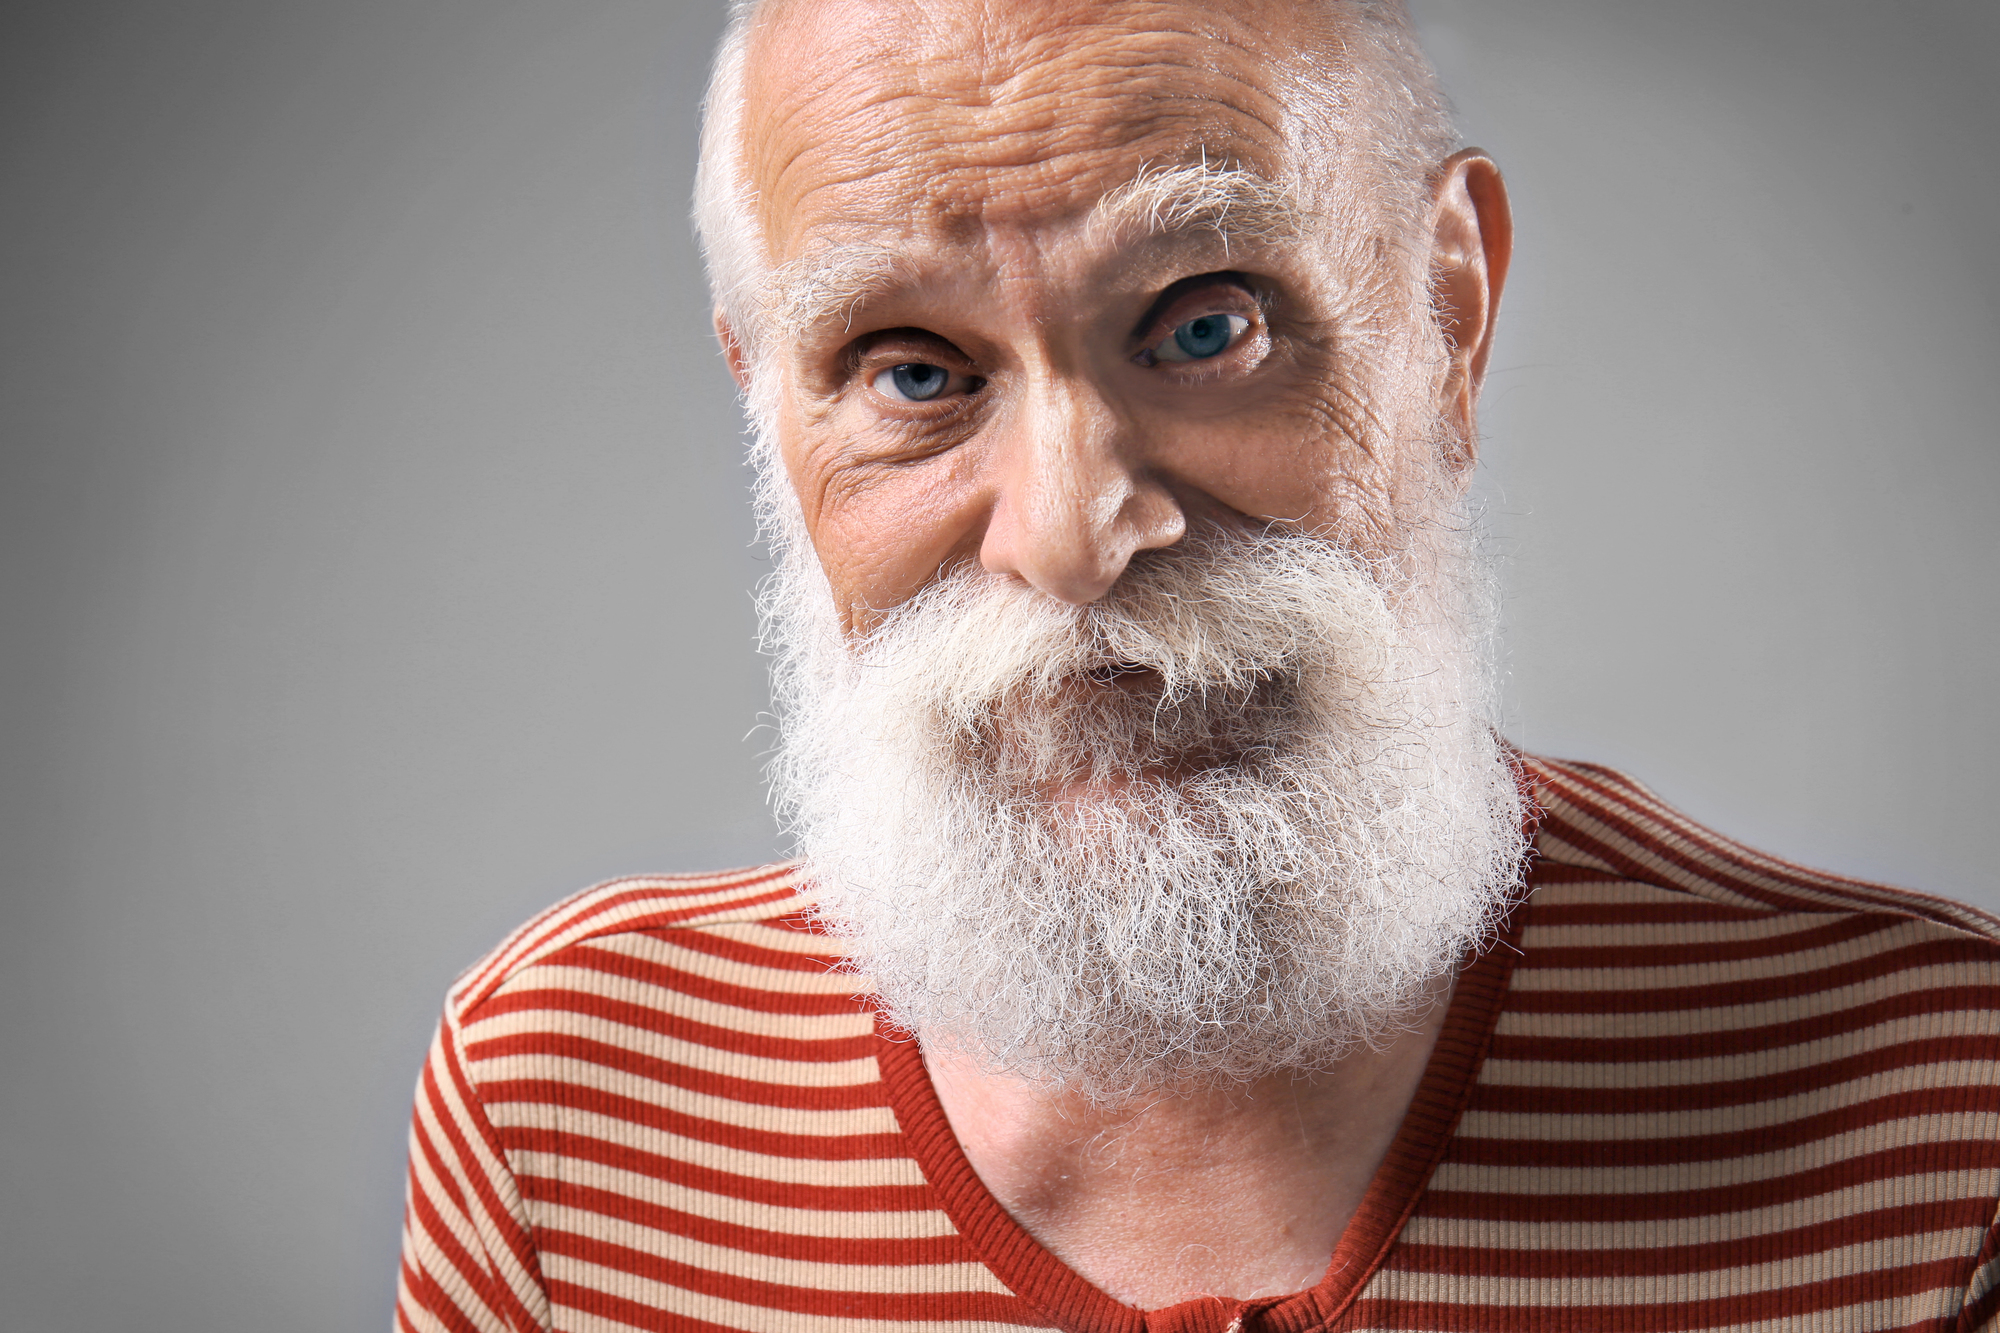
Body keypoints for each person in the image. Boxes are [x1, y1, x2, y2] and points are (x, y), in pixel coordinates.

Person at [393, 1, 2000, 1329]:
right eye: (915, 370)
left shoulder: (1946, 1115)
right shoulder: (568, 1108)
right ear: (772, 413)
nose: (1073, 536)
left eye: (1205, 324)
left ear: (1445, 313)